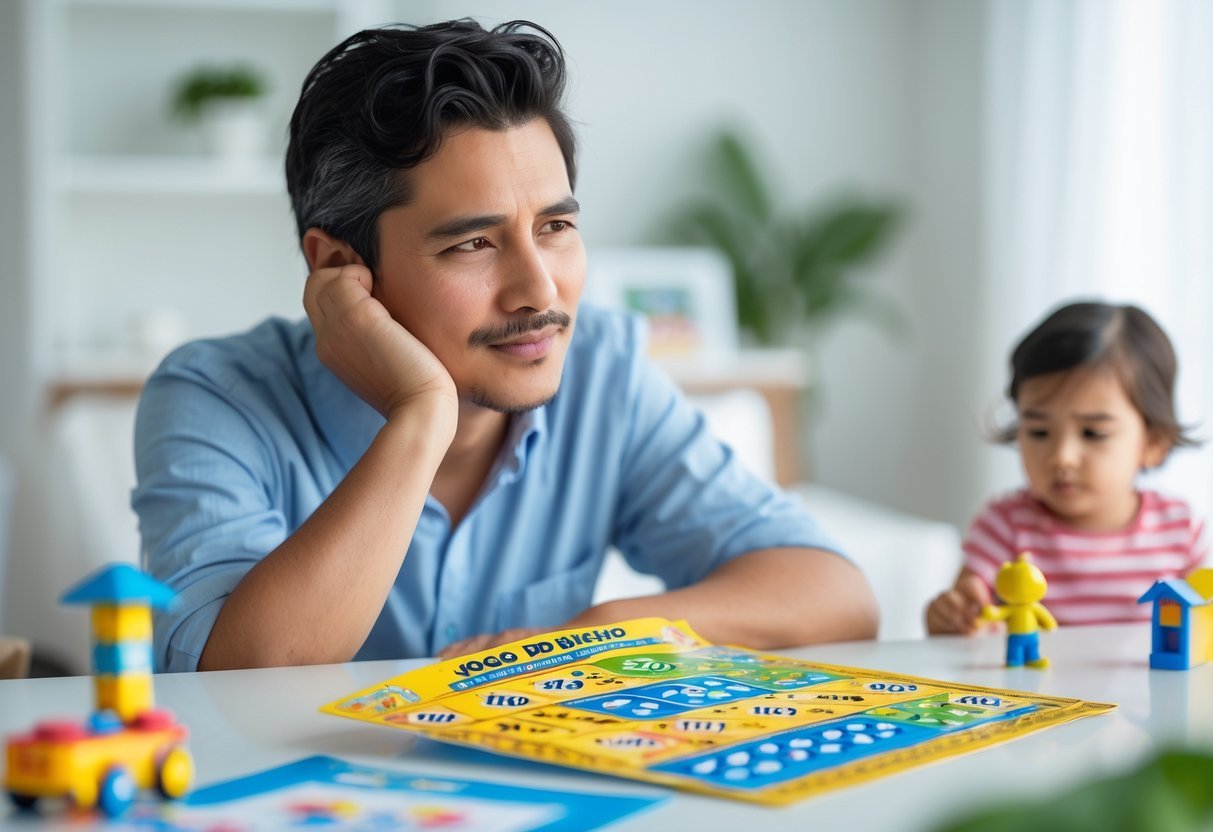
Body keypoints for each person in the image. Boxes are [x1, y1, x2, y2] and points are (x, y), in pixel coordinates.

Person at [133, 19, 878, 673]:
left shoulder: (604, 373)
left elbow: (834, 595)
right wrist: (420, 415)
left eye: (555, 228)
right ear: (336, 267)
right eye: (474, 243)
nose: (540, 291)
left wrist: (611, 633)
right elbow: (243, 673)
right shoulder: (214, 395)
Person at [926, 301, 1206, 635]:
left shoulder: (1181, 530)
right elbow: (965, 619)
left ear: (1153, 443)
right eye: (1039, 432)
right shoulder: (1004, 527)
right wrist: (952, 618)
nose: (1062, 456)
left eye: (1093, 433)